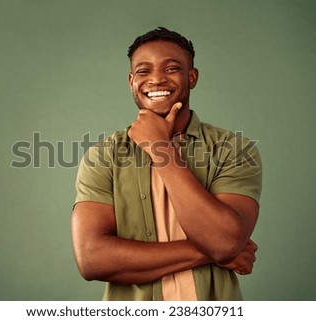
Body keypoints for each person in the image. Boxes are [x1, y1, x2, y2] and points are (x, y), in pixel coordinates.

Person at [71, 27, 262, 301]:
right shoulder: (103, 156)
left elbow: (225, 241)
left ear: (192, 77)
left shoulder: (234, 149)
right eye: (143, 71)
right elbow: (92, 259)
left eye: (171, 68)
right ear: (130, 81)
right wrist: (215, 252)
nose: (157, 79)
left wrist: (160, 149)